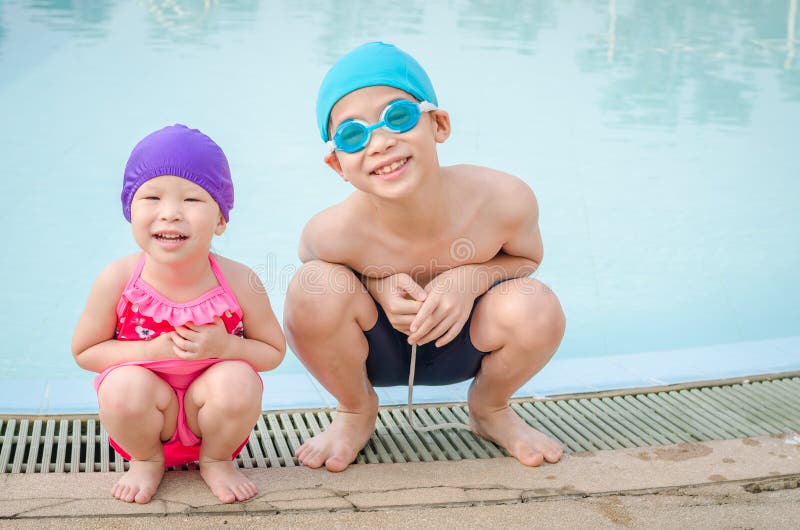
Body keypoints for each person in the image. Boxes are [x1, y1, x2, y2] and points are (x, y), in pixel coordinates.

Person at [284, 42, 566, 472]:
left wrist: (469, 279)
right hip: (378, 349)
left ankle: (490, 408)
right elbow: (314, 267)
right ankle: (354, 410)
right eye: (353, 135)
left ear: (439, 124)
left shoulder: (503, 200)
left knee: (537, 304)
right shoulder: (333, 230)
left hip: (467, 343)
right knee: (312, 288)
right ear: (337, 165)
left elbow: (527, 260)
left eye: (397, 117)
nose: (380, 143)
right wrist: (377, 284)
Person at [72, 124, 286, 504]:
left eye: (192, 200)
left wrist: (224, 346)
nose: (170, 214)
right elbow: (85, 351)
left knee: (239, 379)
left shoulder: (238, 280)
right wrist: (149, 352)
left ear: (220, 220)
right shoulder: (118, 279)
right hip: (144, 417)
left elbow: (272, 352)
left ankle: (216, 461)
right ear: (129, 209)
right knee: (121, 386)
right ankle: (147, 461)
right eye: (152, 197)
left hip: (215, 420)